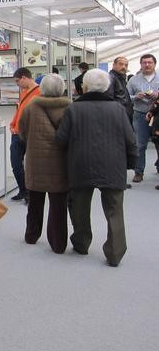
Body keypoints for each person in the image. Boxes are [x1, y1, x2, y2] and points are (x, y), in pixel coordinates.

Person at [56, 69, 137, 267]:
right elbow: (131, 140)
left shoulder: (74, 109)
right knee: (114, 210)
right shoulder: (118, 109)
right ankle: (115, 253)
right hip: (113, 166)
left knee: (79, 207)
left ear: (84, 87)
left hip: (80, 165)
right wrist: (131, 164)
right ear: (108, 87)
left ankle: (82, 243)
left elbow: (61, 139)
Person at [18, 74, 70, 253]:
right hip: (60, 162)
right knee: (58, 205)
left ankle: (31, 235)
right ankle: (58, 243)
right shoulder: (69, 107)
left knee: (35, 202)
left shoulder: (31, 106)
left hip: (35, 161)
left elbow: (22, 132)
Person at [9, 68, 41, 202]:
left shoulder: (40, 92)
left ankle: (30, 194)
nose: (17, 84)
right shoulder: (24, 93)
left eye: (17, 81)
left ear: (24, 78)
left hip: (30, 134)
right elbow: (20, 110)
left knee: (32, 166)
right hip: (17, 133)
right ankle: (23, 190)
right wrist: (12, 124)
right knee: (16, 164)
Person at [126, 54, 159, 182]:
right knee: (140, 144)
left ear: (154, 64)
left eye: (149, 62)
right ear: (141, 64)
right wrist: (136, 97)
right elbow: (126, 96)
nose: (147, 65)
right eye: (144, 62)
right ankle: (138, 172)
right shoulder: (133, 80)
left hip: (158, 115)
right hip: (140, 114)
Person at [107, 56, 132, 122]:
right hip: (117, 116)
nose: (124, 67)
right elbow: (109, 99)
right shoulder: (111, 78)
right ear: (114, 65)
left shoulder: (120, 78)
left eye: (126, 65)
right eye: (120, 64)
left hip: (123, 114)